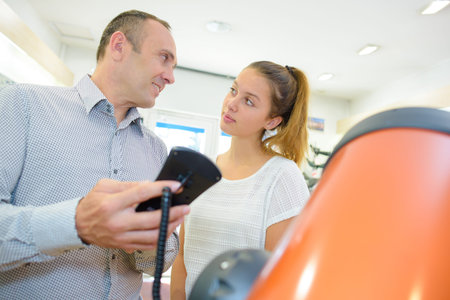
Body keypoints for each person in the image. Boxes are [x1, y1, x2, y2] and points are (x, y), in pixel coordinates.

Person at [0, 10, 190, 299]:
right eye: (164, 57)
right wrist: (76, 223)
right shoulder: (22, 105)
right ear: (118, 46)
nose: (171, 77)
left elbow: (158, 262)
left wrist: (151, 240)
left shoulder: (156, 149)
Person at [170, 61, 311, 299]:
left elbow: (280, 275)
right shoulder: (202, 170)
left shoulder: (283, 177)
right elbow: (183, 255)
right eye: (234, 90)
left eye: (249, 101)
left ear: (272, 121)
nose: (231, 103)